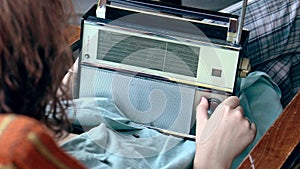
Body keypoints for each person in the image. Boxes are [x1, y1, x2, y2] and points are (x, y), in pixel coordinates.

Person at [0, 0, 256, 168]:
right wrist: (211, 161)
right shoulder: (19, 148)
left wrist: (55, 99)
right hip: (214, 146)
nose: (59, 46)